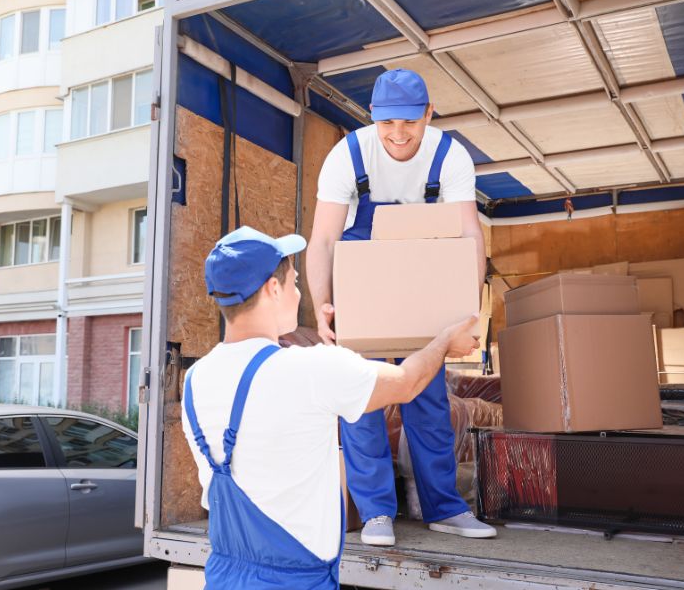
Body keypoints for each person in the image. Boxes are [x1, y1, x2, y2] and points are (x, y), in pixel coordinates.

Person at [182, 226, 479, 589]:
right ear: (272, 289)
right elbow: (407, 382)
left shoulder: (195, 380)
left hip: (225, 576)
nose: (298, 293)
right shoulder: (310, 368)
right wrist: (445, 340)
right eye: (293, 282)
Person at [306, 68, 495, 546]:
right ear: (372, 117)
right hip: (362, 280)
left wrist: (465, 310)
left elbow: (469, 234)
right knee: (363, 399)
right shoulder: (347, 154)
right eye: (387, 123)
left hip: (421, 278)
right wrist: (322, 305)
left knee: (427, 400)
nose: (398, 134)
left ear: (428, 115)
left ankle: (444, 508)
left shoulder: (449, 156)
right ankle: (375, 514)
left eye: (409, 122)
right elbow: (324, 237)